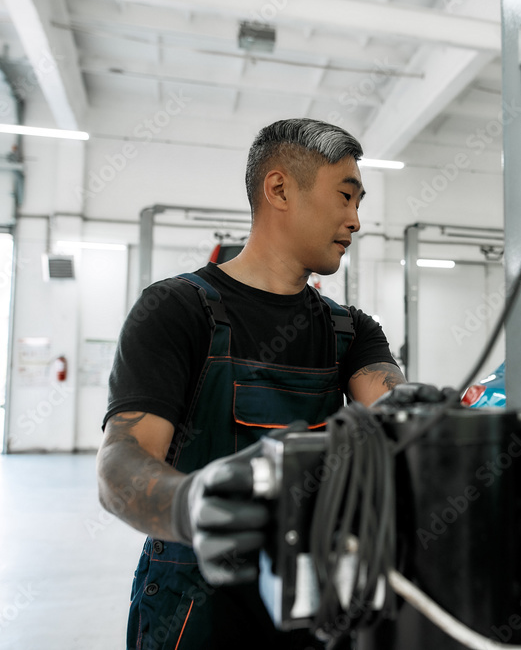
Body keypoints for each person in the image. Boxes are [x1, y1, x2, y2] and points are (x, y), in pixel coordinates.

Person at [97, 118, 407, 650]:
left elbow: (401, 418)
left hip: (312, 603)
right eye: (345, 197)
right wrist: (189, 504)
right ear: (280, 188)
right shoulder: (176, 311)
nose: (356, 221)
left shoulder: (352, 330)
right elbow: (119, 465)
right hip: (195, 611)